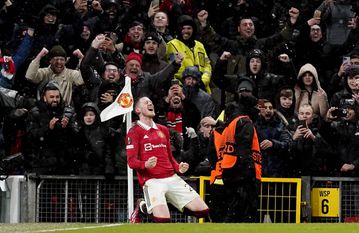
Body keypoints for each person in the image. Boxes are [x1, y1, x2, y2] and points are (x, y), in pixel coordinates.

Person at [126, 96, 209, 223]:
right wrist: (145, 164)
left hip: (171, 177)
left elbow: (169, 157)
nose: (150, 103)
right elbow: (131, 162)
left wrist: (178, 167)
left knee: (202, 211)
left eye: (151, 101)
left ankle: (159, 204)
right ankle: (143, 207)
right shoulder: (134, 132)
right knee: (163, 220)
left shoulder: (163, 129)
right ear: (138, 110)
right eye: (146, 102)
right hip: (152, 180)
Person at [211, 94, 262, 222]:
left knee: (234, 211)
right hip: (243, 173)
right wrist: (248, 171)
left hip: (230, 170)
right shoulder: (244, 121)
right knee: (246, 212)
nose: (259, 110)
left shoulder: (230, 125)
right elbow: (244, 149)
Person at [166, 15, 212, 93]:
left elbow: (207, 65)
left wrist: (203, 81)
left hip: (203, 89)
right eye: (183, 28)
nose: (186, 31)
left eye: (189, 28)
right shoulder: (172, 45)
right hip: (184, 90)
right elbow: (175, 70)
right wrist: (190, 83)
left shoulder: (200, 45)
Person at [255, 99, 292, 177]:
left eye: (270, 108)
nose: (268, 110)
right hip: (258, 170)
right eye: (265, 107)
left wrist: (273, 143)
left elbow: (288, 144)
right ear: (259, 110)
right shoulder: (253, 126)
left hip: (277, 171)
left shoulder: (281, 125)